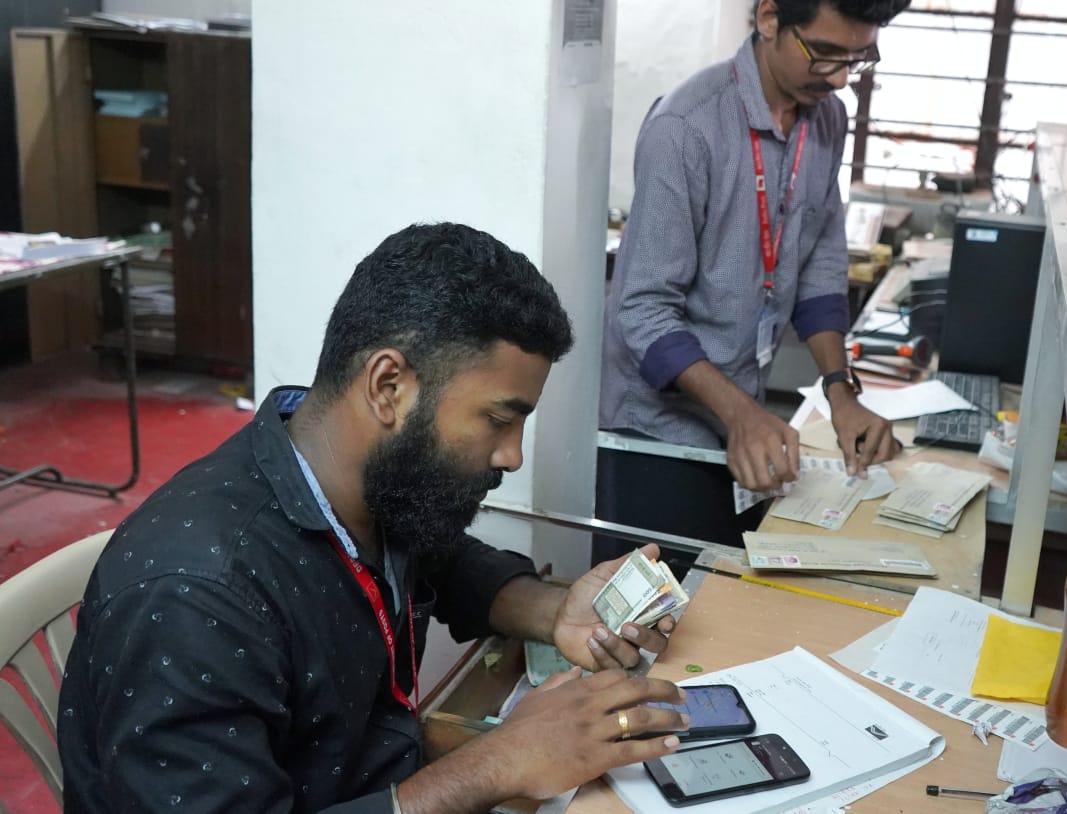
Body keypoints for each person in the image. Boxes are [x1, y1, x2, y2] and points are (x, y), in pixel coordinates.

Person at [58, 223, 690, 814]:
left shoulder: (355, 473)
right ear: (389, 386)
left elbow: (436, 551)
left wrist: (552, 612)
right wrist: (497, 762)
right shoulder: (198, 595)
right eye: (499, 420)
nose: (512, 455)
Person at [597, 0, 916, 564]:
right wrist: (741, 413)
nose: (837, 78)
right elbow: (642, 309)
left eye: (858, 59)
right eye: (824, 53)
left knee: (726, 606)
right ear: (769, 18)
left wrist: (841, 394)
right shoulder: (688, 128)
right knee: (657, 623)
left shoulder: (826, 121)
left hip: (738, 415)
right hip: (657, 432)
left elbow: (823, 261)